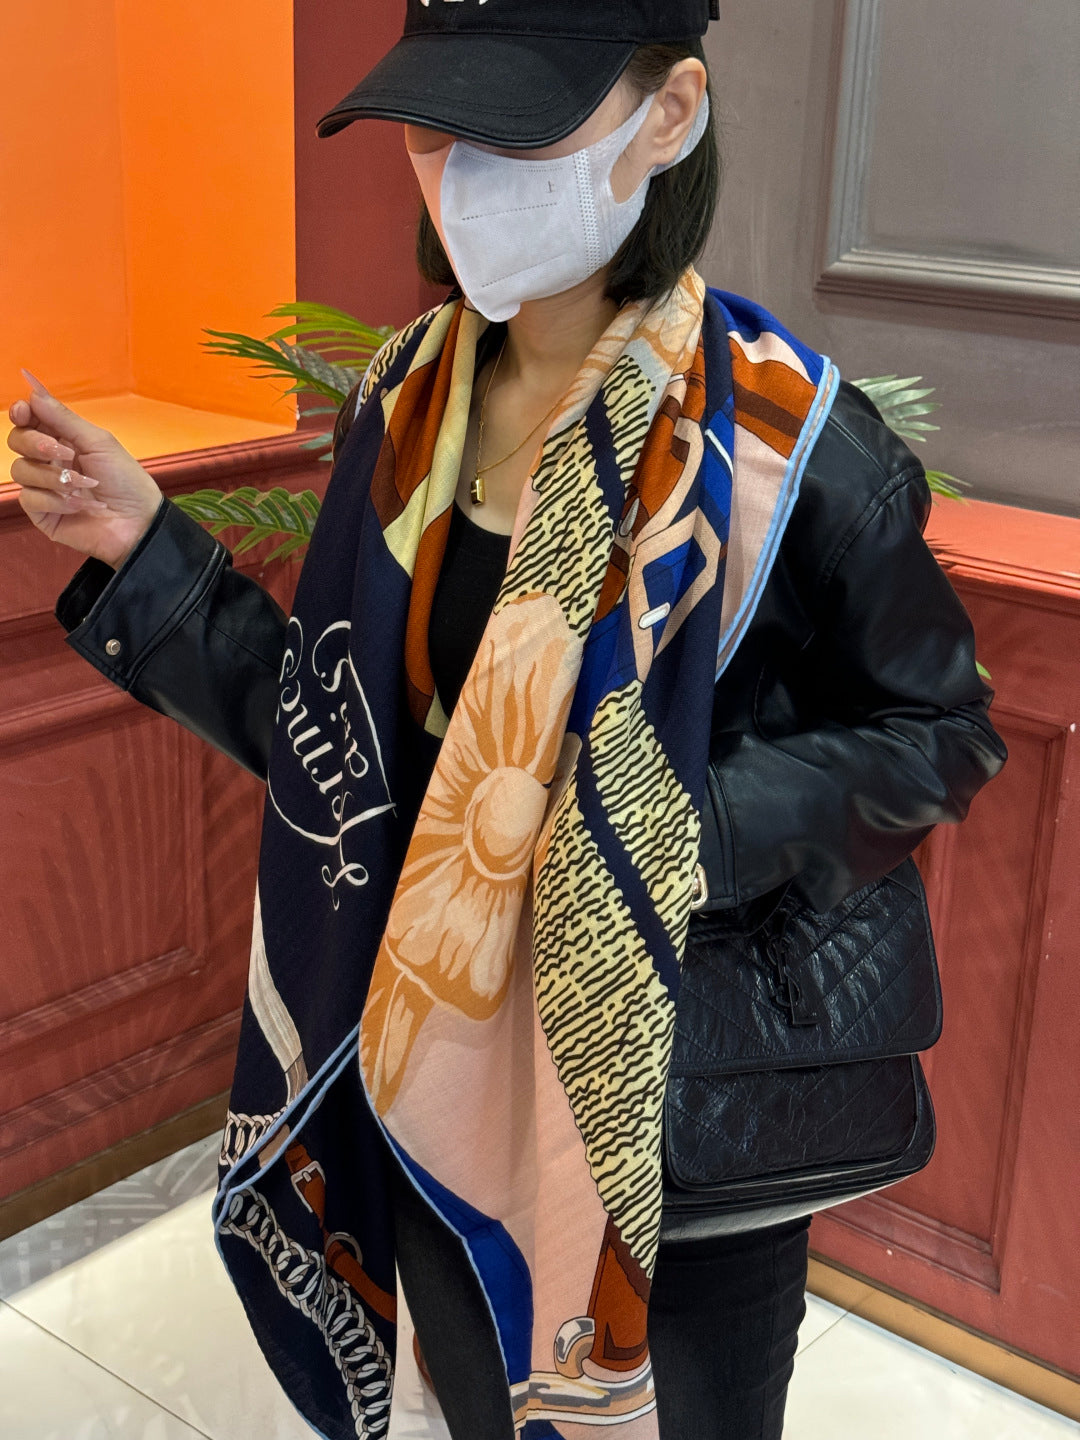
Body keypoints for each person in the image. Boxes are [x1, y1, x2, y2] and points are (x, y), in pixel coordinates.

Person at [6, 3, 1007, 1437]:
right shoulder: (406, 403)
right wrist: (145, 550)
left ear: (668, 116)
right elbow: (343, 749)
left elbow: (941, 733)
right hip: (428, 1086)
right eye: (431, 128)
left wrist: (658, 829)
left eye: (517, 126)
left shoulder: (788, 447)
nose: (460, 170)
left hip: (673, 1136)